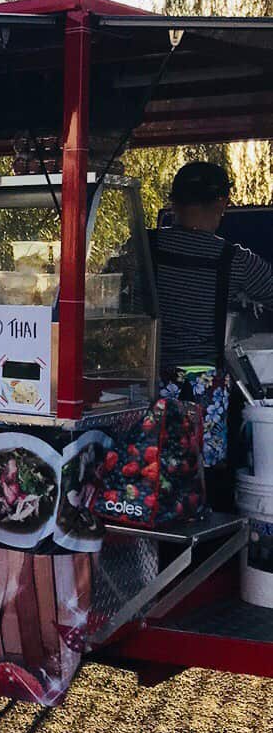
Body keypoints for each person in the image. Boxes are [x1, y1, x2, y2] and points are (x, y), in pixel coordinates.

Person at [152, 161, 273, 509]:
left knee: (146, 475)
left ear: (173, 202)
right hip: (204, 393)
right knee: (202, 486)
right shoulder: (235, 260)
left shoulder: (142, 248)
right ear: (222, 203)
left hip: (144, 387)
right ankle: (200, 554)